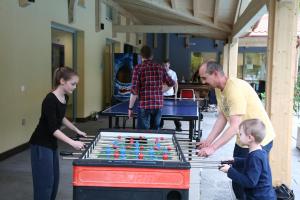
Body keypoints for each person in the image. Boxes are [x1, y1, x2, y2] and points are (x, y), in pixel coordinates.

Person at [197, 61, 275, 200]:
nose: (203, 82)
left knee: (248, 183)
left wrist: (213, 148)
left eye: (204, 78)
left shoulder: (234, 89)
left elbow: (234, 126)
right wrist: (208, 142)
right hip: (244, 137)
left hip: (257, 138)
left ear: (215, 74)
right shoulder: (218, 88)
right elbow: (223, 116)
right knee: (237, 180)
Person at [29, 67, 87, 200]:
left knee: (54, 183)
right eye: (73, 84)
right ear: (62, 81)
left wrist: (77, 130)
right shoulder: (49, 99)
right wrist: (72, 142)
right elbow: (53, 129)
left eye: (76, 84)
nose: (75, 87)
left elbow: (61, 117)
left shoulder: (64, 97)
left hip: (51, 145)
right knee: (45, 184)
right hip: (40, 145)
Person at [219, 119, 276, 200]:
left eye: (241, 134)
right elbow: (249, 162)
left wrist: (230, 170)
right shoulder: (259, 151)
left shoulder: (255, 157)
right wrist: (235, 160)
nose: (238, 135)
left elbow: (250, 182)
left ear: (250, 138)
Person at [128, 45, 175, 130]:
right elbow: (172, 83)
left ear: (141, 56)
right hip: (158, 105)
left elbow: (134, 91)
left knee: (143, 135)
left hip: (144, 106)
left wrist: (130, 108)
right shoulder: (160, 67)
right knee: (154, 134)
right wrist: (162, 90)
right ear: (152, 56)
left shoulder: (138, 68)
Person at [160, 59, 182, 131]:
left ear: (169, 65)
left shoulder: (173, 73)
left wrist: (175, 94)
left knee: (173, 112)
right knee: (161, 112)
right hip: (161, 96)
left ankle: (178, 126)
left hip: (170, 95)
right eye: (163, 65)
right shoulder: (160, 72)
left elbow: (176, 84)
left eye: (166, 65)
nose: (165, 67)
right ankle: (160, 125)